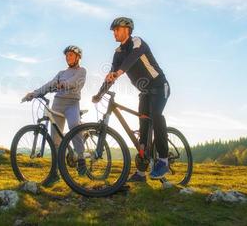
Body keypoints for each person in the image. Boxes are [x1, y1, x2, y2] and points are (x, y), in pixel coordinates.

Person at [92, 17, 170, 182]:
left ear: (127, 29)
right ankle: (141, 173)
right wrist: (99, 94)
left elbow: (131, 59)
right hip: (145, 92)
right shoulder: (118, 53)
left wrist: (118, 72)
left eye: (117, 29)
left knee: (156, 116)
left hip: (159, 86)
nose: (114, 32)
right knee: (143, 127)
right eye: (113, 30)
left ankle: (163, 160)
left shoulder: (137, 42)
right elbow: (112, 75)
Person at [22, 45, 87, 182]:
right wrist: (34, 93)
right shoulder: (61, 73)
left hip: (72, 104)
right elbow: (49, 84)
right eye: (67, 55)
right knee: (55, 140)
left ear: (77, 57)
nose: (68, 57)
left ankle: (81, 158)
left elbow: (75, 82)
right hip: (58, 104)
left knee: (74, 125)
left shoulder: (82, 71)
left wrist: (63, 84)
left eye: (71, 55)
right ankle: (55, 174)